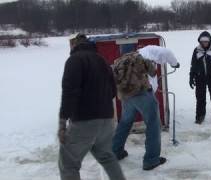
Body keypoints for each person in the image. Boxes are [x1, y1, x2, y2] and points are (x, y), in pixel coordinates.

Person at [58, 33, 126, 180]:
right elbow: (113, 91)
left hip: (84, 120)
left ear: (74, 45)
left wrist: (62, 123)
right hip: (107, 119)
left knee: (68, 163)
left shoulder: (74, 60)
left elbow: (69, 92)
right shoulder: (102, 60)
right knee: (107, 157)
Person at [112, 52, 166, 171]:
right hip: (141, 94)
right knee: (153, 124)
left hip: (126, 97)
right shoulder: (139, 58)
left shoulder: (117, 61)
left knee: (124, 123)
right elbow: (153, 72)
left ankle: (115, 152)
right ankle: (151, 160)